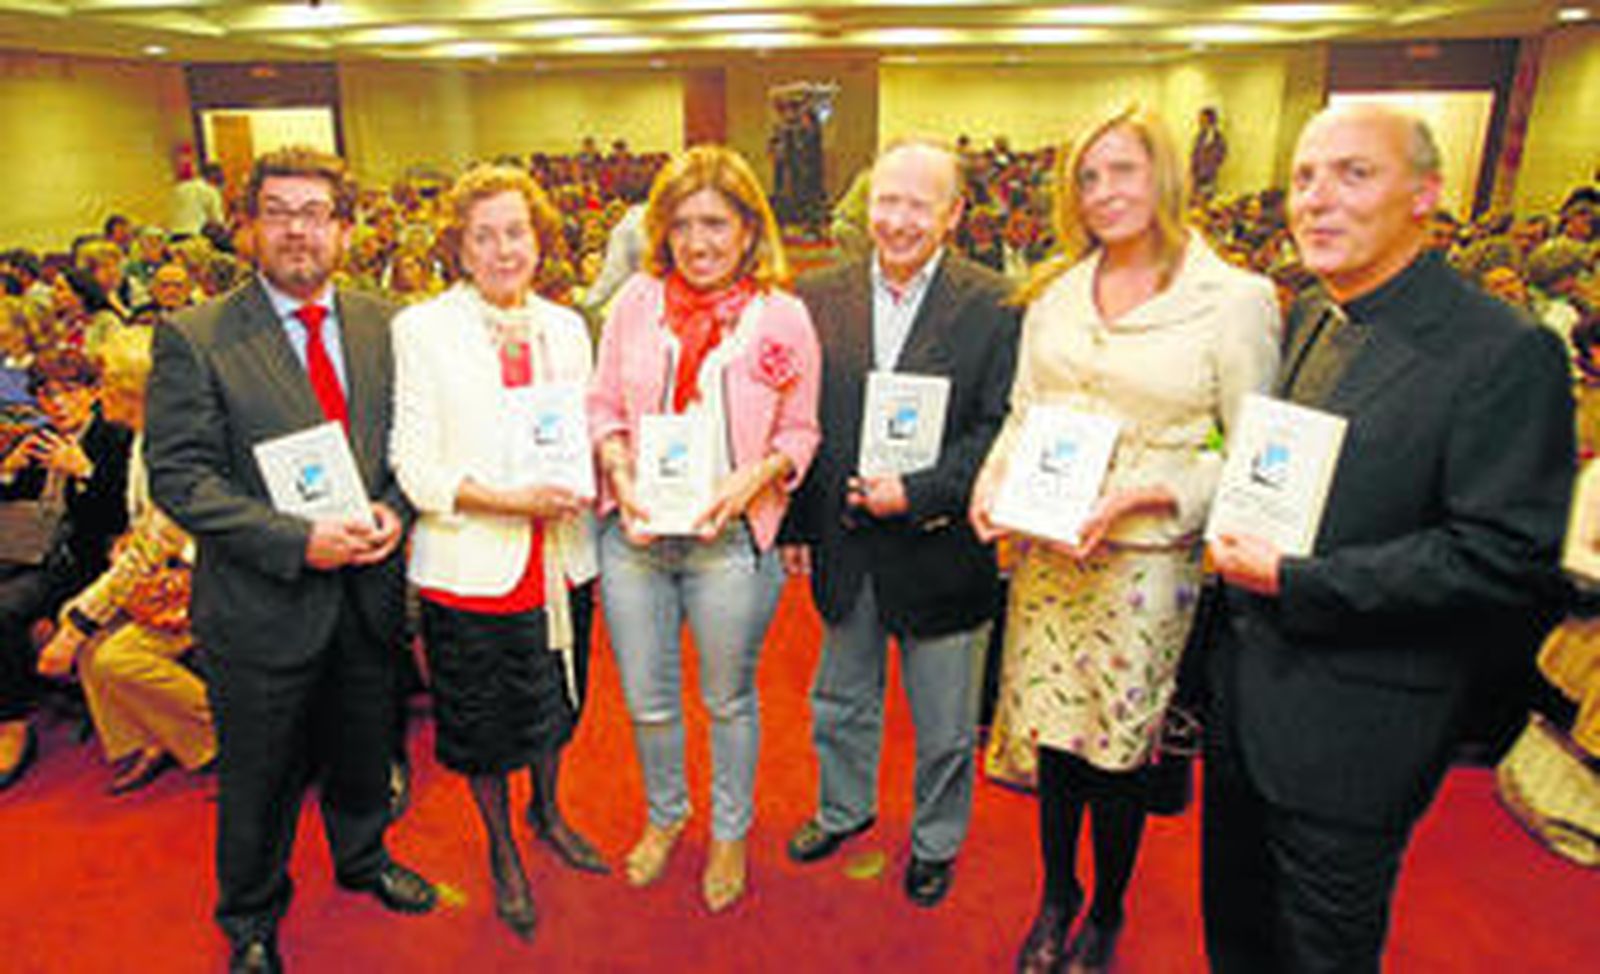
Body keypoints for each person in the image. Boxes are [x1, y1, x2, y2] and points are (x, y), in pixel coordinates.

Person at [1201, 105, 1574, 973]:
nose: (1317, 198)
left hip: (1357, 728)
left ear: (1425, 195)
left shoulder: (1503, 350)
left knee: (1321, 952)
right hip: (1246, 704)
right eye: (1304, 177)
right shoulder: (1312, 314)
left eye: (1354, 174)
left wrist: (1298, 580)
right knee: (1238, 937)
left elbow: (1503, 558)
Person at [967, 106, 1279, 972]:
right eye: (1088, 177)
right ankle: (1055, 894)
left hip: (1145, 563)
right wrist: (991, 484)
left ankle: (1106, 909)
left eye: (1123, 171)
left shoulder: (1235, 299)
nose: (1104, 192)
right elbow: (1023, 413)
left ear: (1164, 175)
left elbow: (1256, 456)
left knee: (1117, 743)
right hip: (1047, 551)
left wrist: (1151, 493)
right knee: (1052, 735)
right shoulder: (1055, 293)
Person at [145, 146, 437, 974]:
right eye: (277, 213)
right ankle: (250, 918)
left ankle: (364, 857)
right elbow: (180, 478)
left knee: (365, 746)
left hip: (369, 593)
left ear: (345, 229)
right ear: (246, 227)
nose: (297, 230)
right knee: (259, 780)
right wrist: (296, 540)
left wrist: (397, 507)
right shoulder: (196, 337)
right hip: (261, 605)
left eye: (315, 214)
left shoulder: (389, 324)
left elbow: (414, 446)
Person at [779, 138, 1018, 908]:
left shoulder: (997, 305)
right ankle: (843, 809)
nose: (899, 220)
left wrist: (917, 493)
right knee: (840, 699)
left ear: (954, 213)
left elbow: (999, 428)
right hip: (846, 541)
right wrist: (797, 528)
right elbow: (803, 421)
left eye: (920, 204)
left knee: (945, 723)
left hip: (941, 545)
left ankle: (936, 841)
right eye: (887, 200)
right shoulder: (818, 296)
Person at [588, 144, 820, 913]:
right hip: (636, 541)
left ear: (749, 229)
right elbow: (602, 406)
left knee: (727, 700)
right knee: (647, 701)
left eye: (716, 223)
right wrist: (619, 472)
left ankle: (728, 832)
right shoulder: (635, 302)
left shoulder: (782, 315)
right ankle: (666, 815)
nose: (698, 242)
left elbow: (801, 431)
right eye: (682, 224)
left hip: (730, 544)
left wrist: (752, 479)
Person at [389, 165, 607, 941]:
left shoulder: (568, 326)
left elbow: (587, 434)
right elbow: (414, 466)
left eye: (516, 232)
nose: (503, 249)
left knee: (556, 702)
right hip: (469, 567)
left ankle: (548, 812)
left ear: (539, 239)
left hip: (561, 558)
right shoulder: (422, 329)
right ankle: (502, 847)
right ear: (459, 247)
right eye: (483, 236)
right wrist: (513, 502)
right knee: (481, 725)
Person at [36, 328, 215, 795]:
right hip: (174, 569)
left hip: (214, 579)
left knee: (114, 655)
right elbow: (142, 531)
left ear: (134, 391)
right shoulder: (141, 438)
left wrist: (78, 623)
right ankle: (155, 737)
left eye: (105, 382)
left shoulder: (172, 447)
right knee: (90, 643)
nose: (98, 393)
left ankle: (241, 740)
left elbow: (154, 545)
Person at [0, 349, 131, 791]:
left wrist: (85, 474)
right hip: (26, 551)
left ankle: (12, 723)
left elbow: (118, 522)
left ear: (93, 393)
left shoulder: (116, 440)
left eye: (68, 391)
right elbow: (12, 509)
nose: (56, 403)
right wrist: (7, 472)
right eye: (45, 394)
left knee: (5, 608)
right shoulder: (36, 439)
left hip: (80, 562)